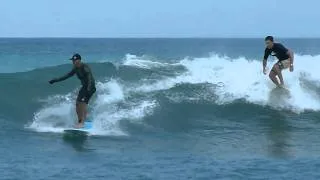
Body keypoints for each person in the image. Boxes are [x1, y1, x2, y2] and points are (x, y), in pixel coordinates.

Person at [49, 53, 96, 128]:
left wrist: (88, 89)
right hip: (84, 87)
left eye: (75, 60)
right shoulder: (75, 69)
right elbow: (67, 76)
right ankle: (80, 121)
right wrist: (56, 80)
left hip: (90, 87)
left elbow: (90, 78)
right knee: (78, 103)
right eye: (73, 61)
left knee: (82, 103)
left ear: (79, 60)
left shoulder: (85, 67)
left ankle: (82, 123)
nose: (74, 62)